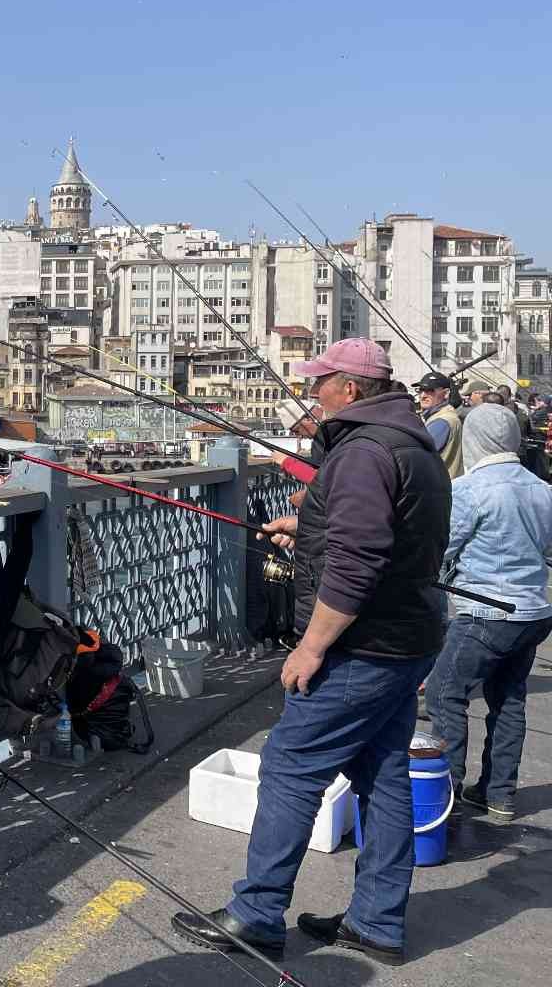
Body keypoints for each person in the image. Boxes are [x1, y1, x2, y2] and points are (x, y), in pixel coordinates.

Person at [173, 338, 449, 967]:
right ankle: (377, 923)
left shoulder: (362, 453)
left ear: (350, 390)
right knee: (382, 777)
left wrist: (311, 647)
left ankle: (256, 913)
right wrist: (311, 524)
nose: (312, 391)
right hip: (408, 640)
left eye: (321, 381)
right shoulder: (413, 444)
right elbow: (390, 530)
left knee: (291, 768)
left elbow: (356, 567)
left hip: (362, 647)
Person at [425, 404, 552, 824]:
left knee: (445, 692)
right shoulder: (542, 488)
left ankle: (446, 795)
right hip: (533, 614)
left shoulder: (469, 489)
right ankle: (498, 795)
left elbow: (441, 551)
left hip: (485, 613)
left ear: (476, 440)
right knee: (509, 699)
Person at [414, 371, 464, 477]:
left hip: (440, 488)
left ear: (446, 393)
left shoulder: (442, 421)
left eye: (430, 391)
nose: (422, 396)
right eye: (421, 390)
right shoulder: (439, 416)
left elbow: (418, 460)